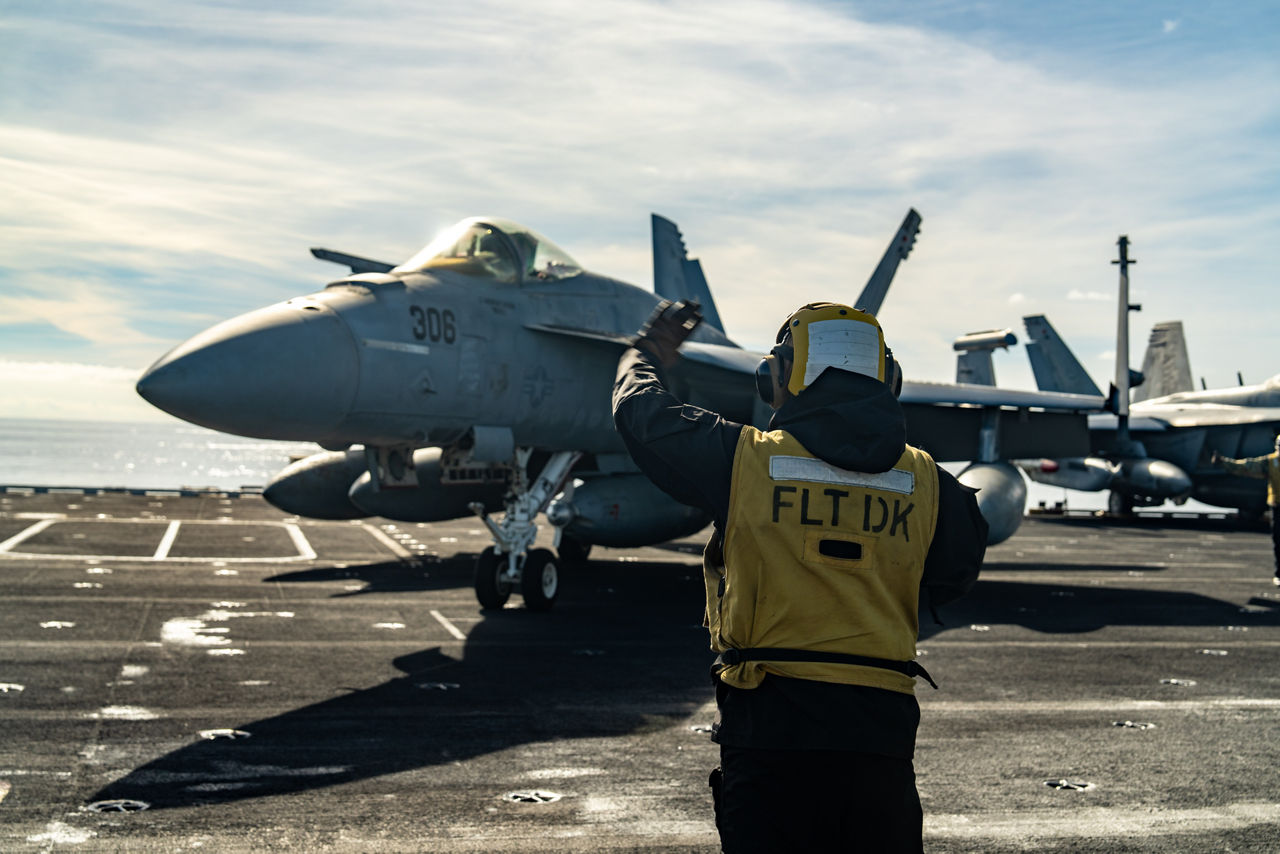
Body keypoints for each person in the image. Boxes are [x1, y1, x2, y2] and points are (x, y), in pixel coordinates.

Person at [612, 299, 987, 853]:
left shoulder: (744, 460)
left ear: (776, 379)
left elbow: (641, 412)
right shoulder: (930, 483)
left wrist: (643, 354)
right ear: (891, 380)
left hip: (770, 727)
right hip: (880, 737)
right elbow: (954, 575)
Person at [1212, 436, 1280, 586]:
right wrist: (1224, 462)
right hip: (1277, 506)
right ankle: (1279, 574)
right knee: (1278, 542)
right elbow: (1246, 467)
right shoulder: (1270, 462)